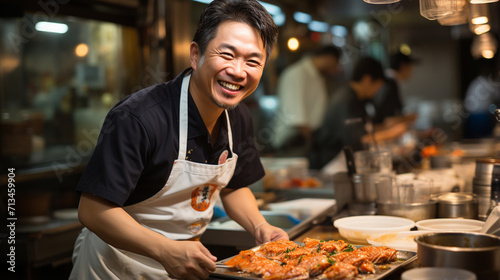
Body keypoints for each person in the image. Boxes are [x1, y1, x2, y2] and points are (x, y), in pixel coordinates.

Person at [69, 1, 285, 279]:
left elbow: (235, 186)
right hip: (112, 268)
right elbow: (92, 210)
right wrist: (166, 250)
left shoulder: (238, 115)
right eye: (227, 54)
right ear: (195, 55)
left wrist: (259, 226)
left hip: (182, 268)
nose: (239, 71)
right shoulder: (139, 118)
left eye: (253, 61)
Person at [308, 57, 409, 171]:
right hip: (332, 165)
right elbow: (359, 138)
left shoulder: (357, 98)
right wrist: (392, 132)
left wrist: (386, 126)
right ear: (367, 79)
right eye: (377, 86)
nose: (377, 91)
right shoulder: (346, 101)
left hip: (344, 162)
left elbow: (363, 129)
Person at [272, 45, 342, 156]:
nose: (338, 69)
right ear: (329, 59)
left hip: (309, 142)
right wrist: (315, 142)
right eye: (337, 64)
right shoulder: (296, 74)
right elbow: (296, 118)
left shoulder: (318, 76)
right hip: (294, 144)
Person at [373, 51, 417, 124]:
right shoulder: (390, 83)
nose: (412, 72)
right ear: (403, 66)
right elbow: (388, 118)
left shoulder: (390, 80)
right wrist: (407, 118)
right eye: (410, 67)